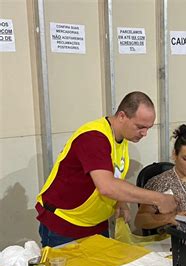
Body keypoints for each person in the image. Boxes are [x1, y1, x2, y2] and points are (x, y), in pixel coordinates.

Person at [36, 92, 177, 247]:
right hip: (65, 225)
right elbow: (106, 186)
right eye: (140, 127)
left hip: (95, 224)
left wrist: (121, 201)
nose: (144, 133)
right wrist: (158, 198)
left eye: (148, 128)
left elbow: (115, 174)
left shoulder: (121, 139)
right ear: (122, 116)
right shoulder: (94, 137)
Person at [134, 124, 186, 230]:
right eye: (185, 159)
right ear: (175, 154)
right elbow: (140, 221)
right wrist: (170, 218)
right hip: (172, 241)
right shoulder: (160, 183)